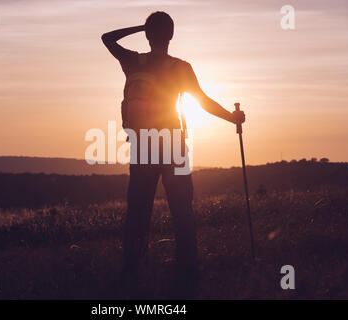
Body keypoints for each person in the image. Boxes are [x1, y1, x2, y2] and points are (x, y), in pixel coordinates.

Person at [101, 11, 245, 298]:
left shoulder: (133, 61)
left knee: (138, 211)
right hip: (173, 144)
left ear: (147, 34)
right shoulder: (181, 67)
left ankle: (132, 271)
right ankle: (188, 272)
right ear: (171, 35)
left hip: (143, 144)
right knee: (182, 210)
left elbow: (107, 38)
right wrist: (233, 118)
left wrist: (141, 27)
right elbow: (203, 102)